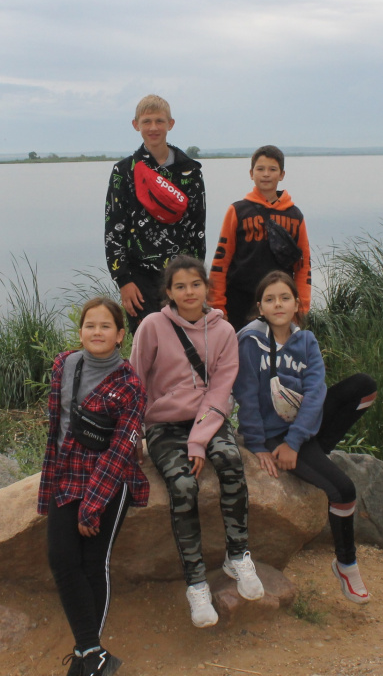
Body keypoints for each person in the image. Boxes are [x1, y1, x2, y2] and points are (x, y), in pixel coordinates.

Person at [130, 255, 264, 628]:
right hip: (164, 424)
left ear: (206, 287)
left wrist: (198, 441)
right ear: (169, 292)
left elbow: (220, 391)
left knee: (231, 462)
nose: (189, 292)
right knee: (183, 485)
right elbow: (135, 380)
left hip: (208, 419)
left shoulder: (223, 331)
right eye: (180, 286)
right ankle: (196, 583)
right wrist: (133, 433)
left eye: (195, 284)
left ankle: (237, 555)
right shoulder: (152, 326)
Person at [234, 271, 377, 604]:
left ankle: (314, 452)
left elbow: (315, 392)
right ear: (260, 307)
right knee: (343, 490)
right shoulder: (250, 342)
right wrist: (257, 445)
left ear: (297, 304)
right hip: (273, 433)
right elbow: (246, 395)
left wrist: (296, 442)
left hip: (299, 430)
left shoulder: (306, 341)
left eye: (285, 298)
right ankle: (347, 564)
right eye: (270, 299)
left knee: (364, 386)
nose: (278, 304)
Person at [38, 297, 149, 676]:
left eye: (105, 326)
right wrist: (51, 479)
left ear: (120, 335)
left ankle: (87, 656)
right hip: (65, 475)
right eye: (90, 325)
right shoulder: (64, 365)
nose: (96, 332)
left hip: (110, 480)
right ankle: (93, 653)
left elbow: (121, 451)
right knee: (61, 559)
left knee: (92, 563)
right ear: (80, 331)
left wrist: (93, 504)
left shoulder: (130, 385)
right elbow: (56, 426)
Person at [105, 95, 206, 332]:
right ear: (136, 125)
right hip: (138, 279)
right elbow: (114, 228)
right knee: (148, 346)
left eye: (159, 121)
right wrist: (123, 280)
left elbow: (197, 229)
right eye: (147, 121)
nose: (153, 127)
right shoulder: (123, 171)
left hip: (182, 277)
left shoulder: (190, 171)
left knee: (185, 344)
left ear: (171, 124)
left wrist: (197, 280)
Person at [209, 145, 311, 331]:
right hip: (239, 301)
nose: (266, 174)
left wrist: (301, 307)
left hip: (279, 303)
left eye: (272, 169)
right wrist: (217, 305)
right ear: (251, 173)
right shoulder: (237, 211)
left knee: (277, 349)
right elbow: (221, 262)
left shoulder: (295, 215)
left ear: (282, 175)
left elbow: (303, 266)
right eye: (260, 169)